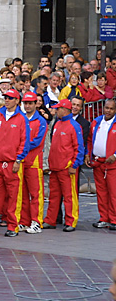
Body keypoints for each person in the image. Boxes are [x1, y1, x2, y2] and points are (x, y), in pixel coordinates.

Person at [0, 89, 30, 237]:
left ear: (17, 101)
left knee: (14, 197)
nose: (7, 100)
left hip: (12, 163)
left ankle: (13, 226)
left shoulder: (22, 119)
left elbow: (24, 141)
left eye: (10, 98)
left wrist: (19, 159)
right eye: (5, 97)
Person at [43, 99, 84, 232]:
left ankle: (71, 221)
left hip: (66, 168)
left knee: (69, 196)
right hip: (56, 167)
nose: (55, 111)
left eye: (58, 109)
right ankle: (50, 219)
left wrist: (74, 165)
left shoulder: (74, 126)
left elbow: (79, 148)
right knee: (54, 196)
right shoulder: (57, 124)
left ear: (64, 110)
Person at [20, 92, 48, 234]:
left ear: (36, 104)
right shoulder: (22, 119)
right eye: (26, 103)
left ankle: (36, 221)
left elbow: (37, 142)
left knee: (35, 193)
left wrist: (20, 146)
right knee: (23, 193)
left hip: (34, 161)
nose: (28, 106)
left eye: (30, 103)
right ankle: (24, 221)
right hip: (22, 161)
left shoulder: (41, 121)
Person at [86, 99, 116, 230]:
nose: (108, 111)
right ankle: (104, 218)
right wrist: (88, 154)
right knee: (101, 192)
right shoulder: (96, 122)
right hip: (98, 163)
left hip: (112, 164)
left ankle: (114, 219)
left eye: (111, 108)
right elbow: (89, 140)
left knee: (113, 193)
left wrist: (115, 155)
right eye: (106, 108)